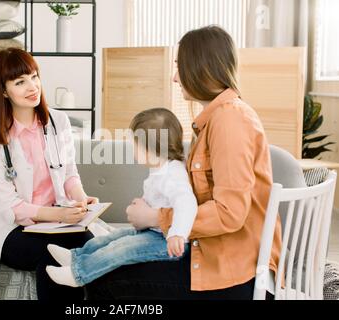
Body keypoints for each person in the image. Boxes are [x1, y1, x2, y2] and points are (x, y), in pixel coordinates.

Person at [84, 25, 283, 300]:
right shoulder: (220, 118)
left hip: (234, 275)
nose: (175, 78)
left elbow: (230, 212)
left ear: (202, 68)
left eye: (180, 66)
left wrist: (155, 217)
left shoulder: (229, 121)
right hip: (221, 259)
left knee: (104, 279)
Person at [0, 47, 97, 300]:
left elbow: (69, 172)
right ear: (3, 91)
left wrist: (81, 199)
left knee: (89, 244)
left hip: (58, 220)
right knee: (55, 252)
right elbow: (11, 206)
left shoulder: (58, 122)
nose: (32, 87)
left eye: (34, 76)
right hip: (14, 229)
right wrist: (58, 214)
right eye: (20, 81)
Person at [44, 108, 198, 287]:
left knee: (123, 249)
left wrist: (177, 234)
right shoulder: (161, 168)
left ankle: (78, 274)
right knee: (112, 238)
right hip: (154, 231)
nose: (132, 150)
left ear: (150, 148)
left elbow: (187, 203)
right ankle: (75, 257)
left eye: (135, 145)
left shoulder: (173, 173)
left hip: (167, 242)